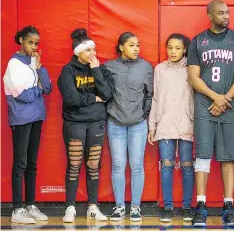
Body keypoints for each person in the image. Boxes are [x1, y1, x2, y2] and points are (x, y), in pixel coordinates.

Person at [187, 0, 234, 227]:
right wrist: (216, 98)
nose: (226, 16)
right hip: (205, 104)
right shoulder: (197, 42)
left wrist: (224, 99)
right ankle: (201, 207)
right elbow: (193, 78)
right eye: (221, 13)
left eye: (228, 12)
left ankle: (228, 207)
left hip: (229, 105)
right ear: (210, 16)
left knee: (227, 157)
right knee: (202, 156)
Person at [57, 28, 114, 223]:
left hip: (97, 123)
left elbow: (107, 94)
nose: (93, 54)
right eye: (88, 50)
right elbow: (71, 98)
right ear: (78, 52)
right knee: (74, 165)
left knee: (93, 165)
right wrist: (93, 98)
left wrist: (96, 71)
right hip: (75, 123)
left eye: (94, 49)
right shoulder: (68, 70)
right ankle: (70, 208)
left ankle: (92, 207)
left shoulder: (101, 68)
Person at [3, 26, 52, 224]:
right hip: (21, 119)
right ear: (21, 40)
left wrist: (40, 68)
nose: (34, 46)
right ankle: (17, 209)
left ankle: (30, 205)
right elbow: (22, 95)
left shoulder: (34, 61)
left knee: (32, 164)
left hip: (36, 117)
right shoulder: (13, 64)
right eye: (30, 42)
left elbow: (47, 87)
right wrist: (37, 88)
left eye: (36, 43)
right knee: (20, 164)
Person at [105, 32, 153, 222]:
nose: (136, 49)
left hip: (138, 125)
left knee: (137, 165)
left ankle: (135, 207)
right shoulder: (109, 67)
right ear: (121, 47)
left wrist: (143, 114)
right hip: (115, 123)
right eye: (132, 45)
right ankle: (119, 207)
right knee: (118, 165)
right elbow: (104, 91)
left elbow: (150, 94)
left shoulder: (146, 67)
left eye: (138, 45)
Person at [148, 33, 194, 222]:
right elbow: (155, 97)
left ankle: (186, 207)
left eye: (177, 48)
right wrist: (152, 125)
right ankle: (167, 207)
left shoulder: (192, 69)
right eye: (170, 48)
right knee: (166, 166)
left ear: (184, 49)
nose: (173, 51)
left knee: (187, 166)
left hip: (186, 122)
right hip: (164, 122)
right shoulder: (159, 69)